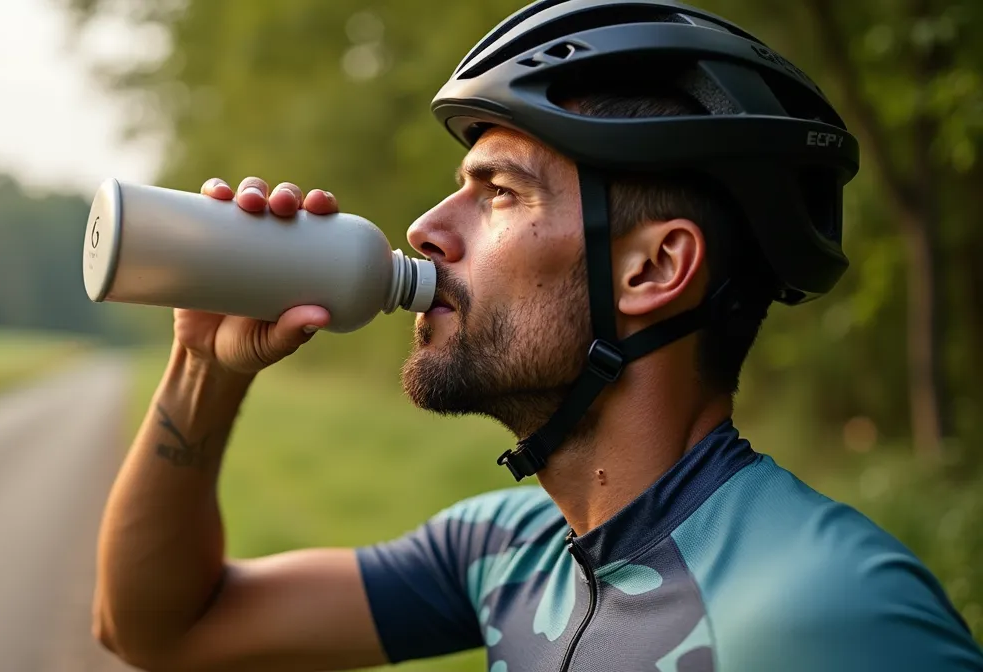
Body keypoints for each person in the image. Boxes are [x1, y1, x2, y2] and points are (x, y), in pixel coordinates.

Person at [90, 1, 983, 670]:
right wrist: (203, 370)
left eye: (500, 192)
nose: (428, 230)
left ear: (653, 270)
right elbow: (159, 628)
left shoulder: (830, 610)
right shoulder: (508, 553)